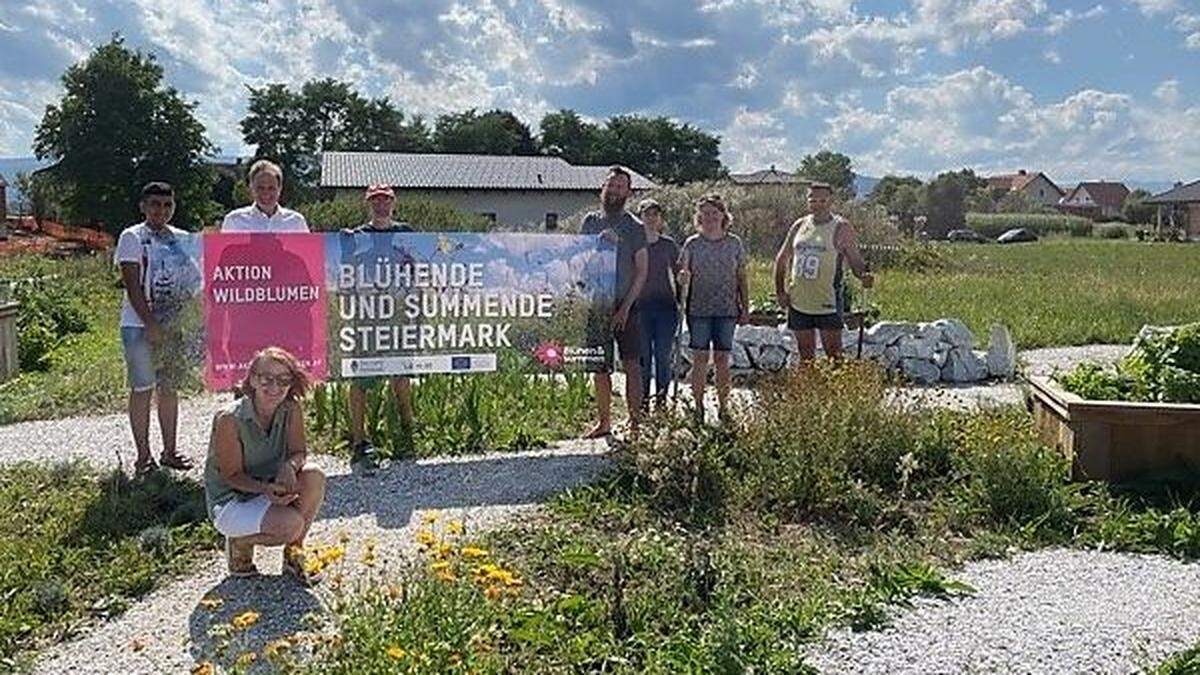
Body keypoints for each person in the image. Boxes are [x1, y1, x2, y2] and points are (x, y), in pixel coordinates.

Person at [204, 347, 327, 582]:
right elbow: (231, 475)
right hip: (232, 499)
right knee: (292, 525)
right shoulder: (229, 418)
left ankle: (294, 554)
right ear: (252, 379)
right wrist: (265, 490)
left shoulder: (291, 408)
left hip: (270, 487)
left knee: (314, 477)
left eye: (283, 380)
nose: (275, 387)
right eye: (266, 379)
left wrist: (289, 467)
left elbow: (299, 452)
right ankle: (239, 542)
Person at [115, 182, 200, 476]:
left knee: (169, 388)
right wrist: (150, 323)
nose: (160, 211)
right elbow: (131, 283)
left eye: (166, 205)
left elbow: (194, 280)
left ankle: (170, 450)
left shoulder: (184, 238)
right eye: (154, 204)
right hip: (139, 326)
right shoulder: (132, 237)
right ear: (143, 206)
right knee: (142, 388)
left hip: (173, 326)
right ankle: (143, 456)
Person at [341, 184, 416, 473]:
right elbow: (346, 273)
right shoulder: (356, 237)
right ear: (368, 203)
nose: (381, 205)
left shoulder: (408, 233)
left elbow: (417, 268)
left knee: (402, 375)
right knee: (360, 379)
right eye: (376, 200)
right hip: (367, 317)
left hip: (399, 316)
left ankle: (407, 431)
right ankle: (360, 441)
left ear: (393, 202)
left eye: (386, 200)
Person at [580, 167, 648, 439]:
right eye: (612, 184)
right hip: (597, 304)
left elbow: (642, 270)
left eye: (621, 186)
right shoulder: (590, 222)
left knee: (632, 364)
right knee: (600, 365)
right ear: (603, 188)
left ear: (628, 192)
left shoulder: (635, 226)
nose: (615, 189)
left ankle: (635, 425)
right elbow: (579, 258)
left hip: (627, 306)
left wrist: (625, 308)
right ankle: (604, 421)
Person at [773, 182, 873, 360]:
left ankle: (836, 388)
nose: (817, 204)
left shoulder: (841, 227)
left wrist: (863, 275)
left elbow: (855, 262)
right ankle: (807, 388)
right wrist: (780, 291)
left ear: (830, 201)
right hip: (799, 301)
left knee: (833, 353)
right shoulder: (799, 225)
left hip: (827, 301)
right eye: (812, 200)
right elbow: (781, 260)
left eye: (822, 200)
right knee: (805, 353)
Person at [679, 194, 748, 422]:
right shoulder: (692, 244)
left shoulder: (734, 243)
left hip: (727, 309)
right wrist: (683, 277)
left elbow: (741, 277)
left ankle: (723, 407)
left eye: (714, 213)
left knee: (721, 359)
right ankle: (698, 408)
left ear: (723, 215)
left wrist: (745, 307)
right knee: (700, 358)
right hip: (698, 309)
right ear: (699, 216)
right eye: (705, 213)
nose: (710, 218)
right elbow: (683, 274)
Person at [634, 198, 681, 412]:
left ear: (660, 218)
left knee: (662, 357)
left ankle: (661, 403)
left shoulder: (668, 245)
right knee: (643, 357)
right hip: (640, 308)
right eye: (647, 214)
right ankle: (642, 401)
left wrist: (682, 299)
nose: (651, 219)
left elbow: (679, 273)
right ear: (640, 217)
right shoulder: (633, 244)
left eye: (655, 214)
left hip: (665, 309)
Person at [221, 159, 309, 233]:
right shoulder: (234, 221)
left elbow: (306, 253)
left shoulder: (296, 222)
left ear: (280, 188)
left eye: (271, 188)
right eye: (260, 188)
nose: (266, 193)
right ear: (251, 188)